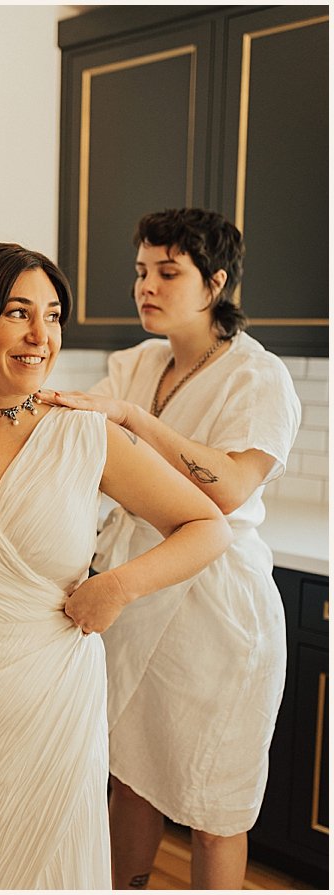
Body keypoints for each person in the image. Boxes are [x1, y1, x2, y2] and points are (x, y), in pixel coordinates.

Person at [0, 243, 233, 888]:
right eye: (19, 314)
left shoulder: (83, 434)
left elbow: (206, 525)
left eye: (53, 316)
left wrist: (118, 586)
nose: (40, 336)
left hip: (53, 713)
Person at [45, 208, 301, 889]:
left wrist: (136, 420)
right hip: (140, 594)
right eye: (140, 271)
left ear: (215, 282)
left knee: (218, 805)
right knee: (132, 776)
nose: (146, 286)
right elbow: (67, 425)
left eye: (168, 272)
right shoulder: (134, 362)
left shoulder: (257, 376)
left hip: (220, 610)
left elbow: (232, 488)